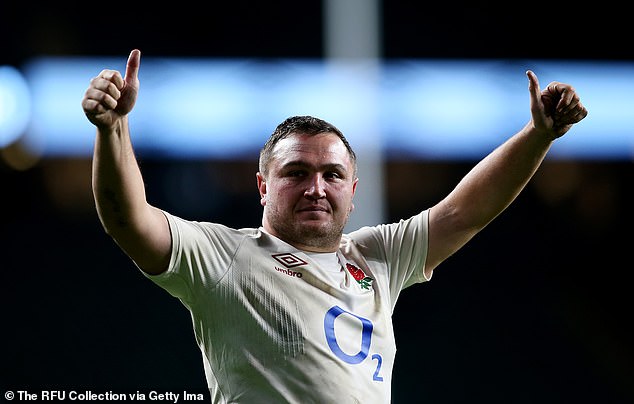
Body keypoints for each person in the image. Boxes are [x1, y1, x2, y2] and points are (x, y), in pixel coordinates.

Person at [81, 49, 587, 403]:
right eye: (296, 173)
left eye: (332, 175)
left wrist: (539, 136)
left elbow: (463, 211)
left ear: (352, 191)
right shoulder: (226, 257)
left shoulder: (377, 258)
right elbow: (129, 219)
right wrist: (113, 130)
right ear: (262, 188)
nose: (316, 188)